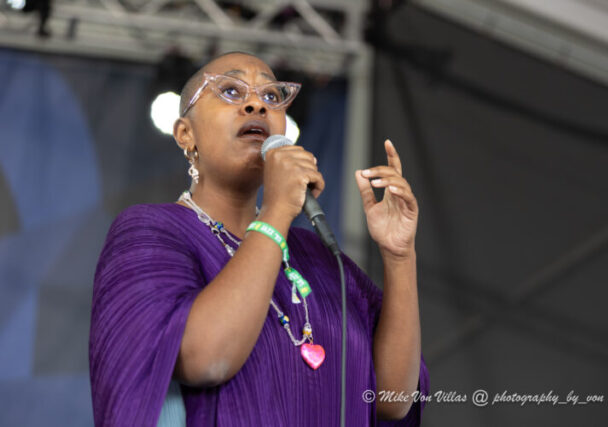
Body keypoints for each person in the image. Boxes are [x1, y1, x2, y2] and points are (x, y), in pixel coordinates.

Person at [89, 52, 429, 426]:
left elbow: (393, 400)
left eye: (271, 96)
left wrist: (399, 255)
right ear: (186, 134)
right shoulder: (151, 231)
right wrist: (277, 209)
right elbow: (205, 359)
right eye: (231, 91)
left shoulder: (318, 257)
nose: (257, 104)